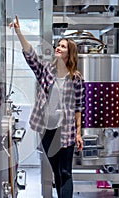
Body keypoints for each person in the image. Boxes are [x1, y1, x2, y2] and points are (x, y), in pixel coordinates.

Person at [9, 15, 84, 198]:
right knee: (56, 172)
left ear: (69, 53)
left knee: (66, 172)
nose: (58, 47)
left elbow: (79, 107)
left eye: (63, 46)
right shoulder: (46, 70)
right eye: (58, 44)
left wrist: (79, 133)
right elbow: (30, 55)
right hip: (47, 130)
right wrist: (19, 32)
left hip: (66, 130)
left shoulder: (76, 78)